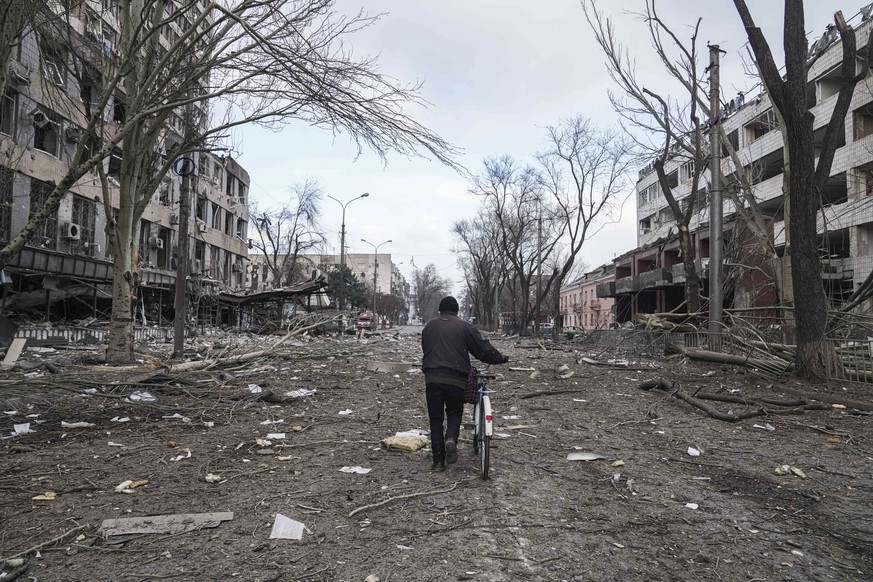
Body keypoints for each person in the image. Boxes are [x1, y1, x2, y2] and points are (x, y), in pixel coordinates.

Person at [421, 296, 509, 471]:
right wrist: (500, 358)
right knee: (454, 412)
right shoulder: (464, 327)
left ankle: (438, 461)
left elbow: (426, 348)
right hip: (456, 378)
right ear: (456, 310)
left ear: (440, 310)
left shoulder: (429, 326)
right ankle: (451, 438)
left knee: (436, 418)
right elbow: (482, 350)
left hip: (432, 378)